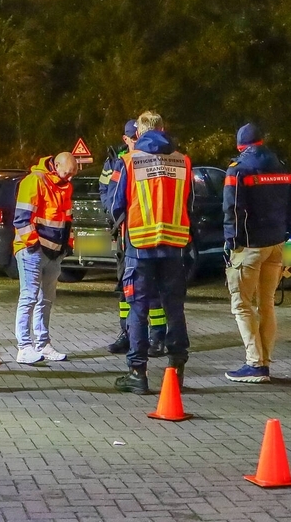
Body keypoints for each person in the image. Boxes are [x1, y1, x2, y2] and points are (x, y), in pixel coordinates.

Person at [108, 111, 192, 394]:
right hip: (174, 245)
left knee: (138, 308)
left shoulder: (129, 161)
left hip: (139, 246)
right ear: (163, 129)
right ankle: (176, 371)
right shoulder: (182, 160)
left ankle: (138, 373)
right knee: (174, 308)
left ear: (139, 133)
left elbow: (115, 205)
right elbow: (189, 202)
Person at [222, 123, 291, 383]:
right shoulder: (282, 167)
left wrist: (232, 242)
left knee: (241, 304)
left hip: (249, 246)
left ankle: (254, 364)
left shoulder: (238, 170)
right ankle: (264, 361)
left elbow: (232, 209)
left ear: (240, 146)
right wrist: (285, 233)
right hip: (276, 244)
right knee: (266, 304)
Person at [98, 120, 168, 357]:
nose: (137, 142)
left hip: (146, 235)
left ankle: (157, 336)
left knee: (153, 289)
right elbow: (106, 192)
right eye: (133, 139)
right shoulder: (116, 162)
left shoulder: (147, 159)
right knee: (124, 287)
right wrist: (116, 219)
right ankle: (127, 333)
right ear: (126, 139)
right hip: (125, 234)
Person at [13, 151, 77, 364]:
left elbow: (67, 219)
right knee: (30, 297)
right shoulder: (35, 181)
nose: (70, 178)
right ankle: (24, 347)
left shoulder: (64, 185)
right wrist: (33, 245)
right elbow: (21, 218)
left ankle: (42, 344)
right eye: (67, 173)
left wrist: (67, 245)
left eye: (73, 174)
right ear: (56, 166)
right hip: (33, 250)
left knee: (45, 300)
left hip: (52, 252)